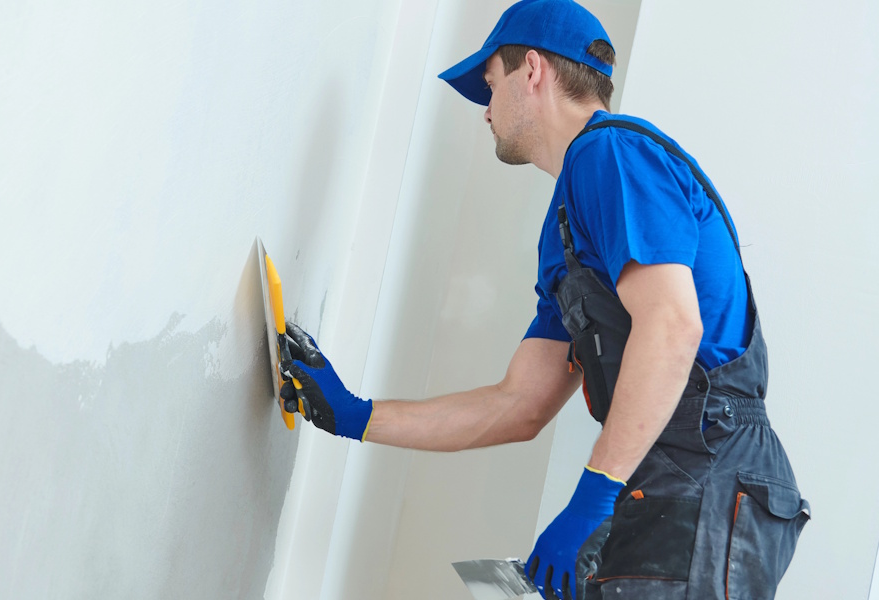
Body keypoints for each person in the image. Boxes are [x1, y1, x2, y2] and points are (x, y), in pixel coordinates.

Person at [277, 1, 810, 598]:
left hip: (710, 468)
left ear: (532, 70)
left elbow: (672, 324)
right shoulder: (568, 228)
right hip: (663, 479)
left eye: (490, 84)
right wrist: (355, 416)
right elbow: (519, 404)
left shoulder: (611, 153)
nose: (485, 110)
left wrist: (594, 496)